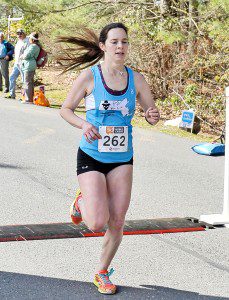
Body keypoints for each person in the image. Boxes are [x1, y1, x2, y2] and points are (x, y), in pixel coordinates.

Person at [58, 23, 160, 295]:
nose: (120, 47)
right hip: (91, 154)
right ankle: (81, 201)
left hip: (122, 157)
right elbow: (65, 109)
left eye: (124, 42)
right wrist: (83, 125)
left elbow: (150, 110)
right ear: (103, 46)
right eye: (114, 42)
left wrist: (152, 115)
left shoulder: (137, 79)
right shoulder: (89, 76)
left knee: (117, 219)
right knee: (95, 223)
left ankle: (102, 272)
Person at [6, 29, 29, 99]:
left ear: (24, 33)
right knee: (12, 77)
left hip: (23, 64)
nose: (19, 35)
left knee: (24, 80)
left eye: (21, 33)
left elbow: (28, 53)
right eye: (18, 34)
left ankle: (24, 96)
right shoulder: (19, 41)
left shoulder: (28, 41)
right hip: (17, 63)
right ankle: (12, 94)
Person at [20, 32, 40, 103]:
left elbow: (26, 56)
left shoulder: (33, 46)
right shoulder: (35, 46)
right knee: (30, 82)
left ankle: (27, 99)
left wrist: (22, 56)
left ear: (32, 39)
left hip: (29, 65)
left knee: (27, 82)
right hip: (30, 65)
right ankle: (30, 98)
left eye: (30, 38)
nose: (29, 39)